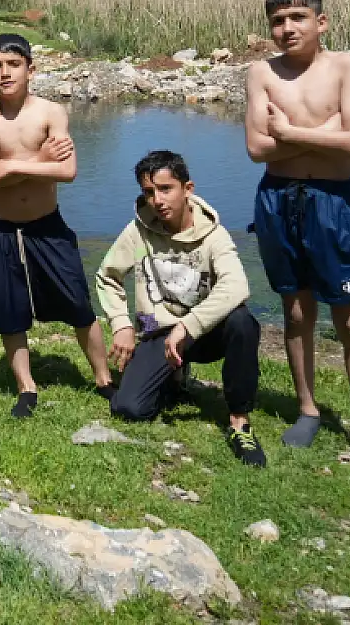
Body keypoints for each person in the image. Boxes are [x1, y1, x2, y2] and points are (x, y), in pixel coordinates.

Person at [244, 0, 350, 476]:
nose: (286, 28)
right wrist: (322, 133)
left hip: (336, 204)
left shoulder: (346, 67)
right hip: (279, 200)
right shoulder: (261, 73)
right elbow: (257, 149)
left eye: (297, 18)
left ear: (321, 22)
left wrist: (289, 132)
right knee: (294, 312)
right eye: (278, 21)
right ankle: (308, 409)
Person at [0, 32, 113, 417]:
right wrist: (38, 159)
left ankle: (103, 378)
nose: (5, 73)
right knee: (9, 311)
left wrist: (14, 164)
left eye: (13, 64)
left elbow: (66, 170)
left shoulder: (51, 112)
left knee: (78, 303)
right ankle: (26, 387)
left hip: (47, 225)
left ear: (31, 69)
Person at [96, 150, 267, 468]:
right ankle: (172, 381)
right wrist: (121, 323)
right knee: (129, 409)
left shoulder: (213, 233)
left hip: (203, 334)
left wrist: (187, 326)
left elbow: (237, 285)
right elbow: (108, 277)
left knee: (243, 322)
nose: (157, 200)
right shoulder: (138, 232)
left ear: (187, 189)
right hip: (159, 333)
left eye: (165, 189)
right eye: (149, 192)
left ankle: (239, 422)